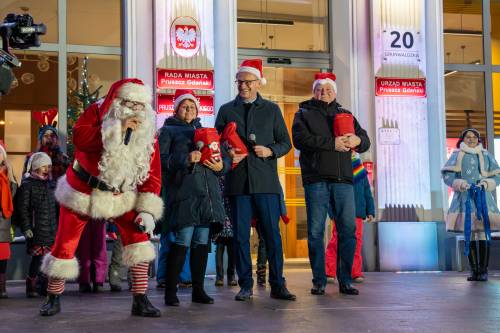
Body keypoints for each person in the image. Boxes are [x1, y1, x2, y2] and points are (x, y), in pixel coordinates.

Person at [39, 78, 164, 317]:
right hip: (82, 192)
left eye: (139, 104)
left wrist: (147, 208)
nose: (135, 109)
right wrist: (116, 129)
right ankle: (52, 297)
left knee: (139, 241)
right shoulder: (96, 112)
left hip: (121, 194)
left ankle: (141, 299)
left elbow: (153, 172)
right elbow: (80, 138)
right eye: (129, 103)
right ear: (117, 101)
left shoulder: (148, 130)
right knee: (64, 244)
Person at [215, 59, 296, 302]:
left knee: (272, 234)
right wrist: (227, 153)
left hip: (266, 183)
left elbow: (286, 143)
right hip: (238, 183)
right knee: (240, 236)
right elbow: (216, 142)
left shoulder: (271, 110)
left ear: (257, 82)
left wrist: (270, 151)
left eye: (248, 82)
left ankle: (278, 284)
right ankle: (245, 285)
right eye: (240, 82)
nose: (243, 86)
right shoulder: (226, 110)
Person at [292, 72, 370, 296]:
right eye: (319, 88)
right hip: (316, 179)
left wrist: (358, 140)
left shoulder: (346, 114)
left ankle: (345, 279)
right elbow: (300, 140)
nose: (324, 92)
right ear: (314, 91)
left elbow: (365, 141)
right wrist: (332, 144)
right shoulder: (303, 113)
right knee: (316, 232)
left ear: (335, 92)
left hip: (344, 180)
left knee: (348, 230)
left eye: (328, 89)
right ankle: (319, 280)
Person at [159, 89, 229, 306]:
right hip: (184, 195)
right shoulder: (167, 131)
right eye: (184, 106)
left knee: (201, 243)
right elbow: (161, 161)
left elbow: (222, 160)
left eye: (192, 106)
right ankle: (171, 292)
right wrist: (185, 158)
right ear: (176, 108)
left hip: (207, 196)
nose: (188, 110)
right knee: (182, 241)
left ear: (198, 109)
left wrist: (221, 166)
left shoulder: (208, 131)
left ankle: (198, 290)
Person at [442, 128, 500, 282]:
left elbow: (497, 174)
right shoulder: (456, 155)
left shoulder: (486, 155)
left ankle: (483, 270)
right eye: (468, 137)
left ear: (478, 139)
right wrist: (459, 183)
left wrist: (486, 183)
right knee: (470, 234)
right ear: (462, 139)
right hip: (464, 197)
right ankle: (474, 270)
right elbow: (447, 174)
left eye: (474, 137)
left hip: (482, 197)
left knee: (482, 232)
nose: (471, 139)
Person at [325, 152, 375, 283]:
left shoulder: (360, 170)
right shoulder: (336, 167)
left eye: (353, 149)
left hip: (357, 212)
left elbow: (367, 191)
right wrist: (332, 212)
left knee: (356, 242)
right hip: (341, 212)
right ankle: (329, 272)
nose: (351, 151)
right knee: (336, 241)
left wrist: (370, 210)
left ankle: (355, 272)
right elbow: (330, 192)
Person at [16, 152, 57, 298]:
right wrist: (26, 227)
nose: (47, 169)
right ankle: (31, 284)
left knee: (49, 260)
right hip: (36, 229)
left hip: (51, 229)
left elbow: (55, 208)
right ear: (35, 167)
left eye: (49, 166)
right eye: (43, 166)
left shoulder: (51, 185)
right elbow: (23, 209)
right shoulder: (27, 186)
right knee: (38, 259)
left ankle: (44, 285)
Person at [0, 143, 17, 298]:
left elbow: (13, 196)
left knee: (3, 258)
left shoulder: (7, 177)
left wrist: (10, 172)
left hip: (3, 224)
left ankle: (2, 288)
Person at [214, 177, 237, 287]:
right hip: (219, 218)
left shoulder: (232, 179)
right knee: (219, 247)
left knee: (232, 250)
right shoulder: (216, 179)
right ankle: (219, 277)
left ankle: (231, 275)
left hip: (232, 218)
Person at [76, 219, 107, 293]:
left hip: (96, 213)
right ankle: (87, 282)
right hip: (85, 213)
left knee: (98, 248)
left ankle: (95, 282)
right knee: (85, 249)